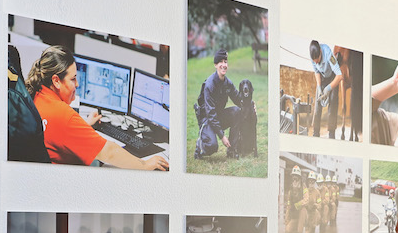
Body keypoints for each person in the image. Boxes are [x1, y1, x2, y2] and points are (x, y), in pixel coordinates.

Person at [26, 46, 168, 170]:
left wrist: (84, 126)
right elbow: (109, 152)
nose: (77, 84)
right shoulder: (63, 115)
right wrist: (145, 165)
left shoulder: (36, 96)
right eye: (73, 78)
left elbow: (57, 132)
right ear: (56, 81)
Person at [193, 49, 241, 159]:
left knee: (237, 111)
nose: (224, 65)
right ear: (215, 65)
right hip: (207, 119)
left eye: (225, 62)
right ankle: (199, 147)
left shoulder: (227, 83)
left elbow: (238, 99)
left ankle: (232, 151)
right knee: (212, 146)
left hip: (218, 116)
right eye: (220, 62)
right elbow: (210, 113)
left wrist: (250, 104)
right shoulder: (210, 85)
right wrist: (222, 136)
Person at [309, 40, 343, 138]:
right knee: (318, 104)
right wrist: (319, 87)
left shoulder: (328, 53)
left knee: (332, 103)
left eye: (318, 60)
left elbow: (339, 76)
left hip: (333, 77)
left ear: (320, 51)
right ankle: (316, 133)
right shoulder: (313, 56)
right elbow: (317, 72)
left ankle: (331, 133)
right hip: (322, 77)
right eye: (315, 61)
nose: (317, 62)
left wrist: (328, 88)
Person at [284, 165, 308, 233]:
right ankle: (295, 231)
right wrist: (287, 221)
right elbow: (288, 206)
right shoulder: (290, 190)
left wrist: (297, 205)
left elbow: (306, 199)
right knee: (287, 232)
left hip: (303, 215)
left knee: (303, 210)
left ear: (299, 178)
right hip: (294, 216)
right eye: (293, 177)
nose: (294, 179)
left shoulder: (304, 187)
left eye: (296, 177)